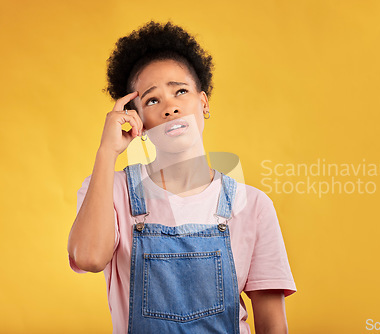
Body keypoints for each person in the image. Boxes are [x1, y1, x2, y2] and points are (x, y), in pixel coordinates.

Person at [67, 21, 296, 334]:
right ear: (138, 120)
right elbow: (90, 258)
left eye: (180, 92)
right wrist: (107, 152)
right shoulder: (112, 190)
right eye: (151, 100)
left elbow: (273, 326)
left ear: (203, 103)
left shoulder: (253, 205)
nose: (170, 107)